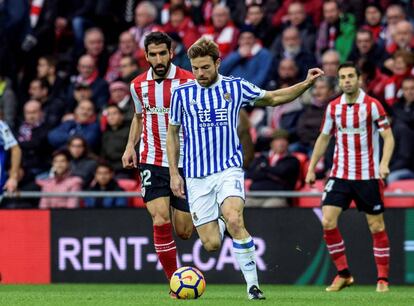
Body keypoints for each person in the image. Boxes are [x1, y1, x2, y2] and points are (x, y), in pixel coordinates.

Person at [167, 37, 323, 300]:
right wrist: (174, 173)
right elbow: (172, 134)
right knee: (212, 244)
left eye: (205, 67)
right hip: (196, 176)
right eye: (195, 68)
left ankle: (253, 287)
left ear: (217, 63)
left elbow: (273, 98)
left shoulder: (235, 87)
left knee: (235, 218)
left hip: (229, 169)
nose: (200, 73)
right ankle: (217, 221)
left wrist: (306, 83)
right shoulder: (182, 94)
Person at [305, 62, 394, 293]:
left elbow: (389, 137)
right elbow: (323, 138)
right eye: (342, 77)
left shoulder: (373, 106)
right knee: (327, 221)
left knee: (376, 227)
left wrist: (384, 164)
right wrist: (311, 168)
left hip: (368, 176)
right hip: (340, 174)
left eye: (350, 76)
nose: (346, 80)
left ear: (359, 79)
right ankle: (344, 274)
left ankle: (382, 279)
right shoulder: (333, 107)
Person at [121, 32, 194, 294]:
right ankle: (175, 283)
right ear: (146, 56)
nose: (159, 59)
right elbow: (138, 117)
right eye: (153, 54)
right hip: (151, 160)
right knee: (160, 219)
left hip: (186, 161)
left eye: (163, 53)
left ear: (171, 53)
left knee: (184, 231)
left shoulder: (189, 82)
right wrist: (131, 146)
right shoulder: (137, 85)